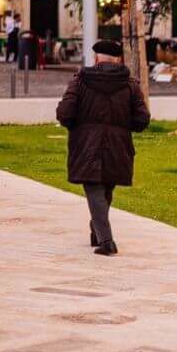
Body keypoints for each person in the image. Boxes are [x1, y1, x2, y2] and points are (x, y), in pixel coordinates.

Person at [57, 39, 151, 256]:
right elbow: (142, 119)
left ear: (97, 58)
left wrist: (77, 127)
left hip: (86, 144)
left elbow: (65, 113)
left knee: (96, 189)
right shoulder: (130, 85)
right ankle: (96, 230)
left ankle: (107, 241)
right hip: (118, 146)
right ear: (118, 59)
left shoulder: (79, 81)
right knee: (104, 188)